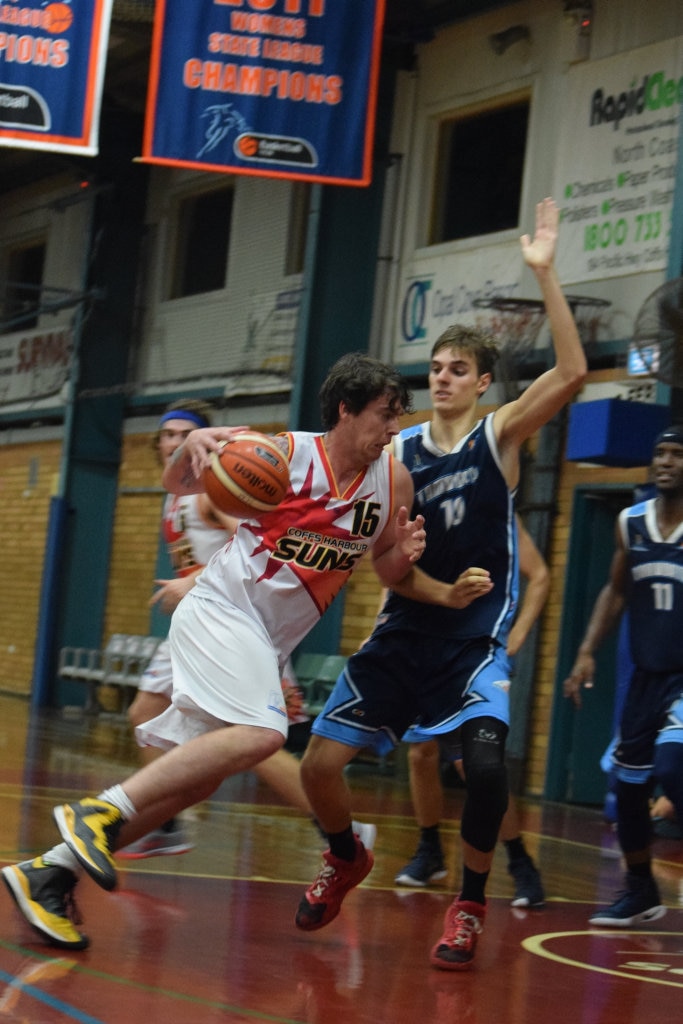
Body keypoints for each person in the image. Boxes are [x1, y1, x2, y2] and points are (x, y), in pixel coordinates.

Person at [2, 353, 425, 951]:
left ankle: (46, 874)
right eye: (386, 414)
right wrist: (193, 445)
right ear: (345, 410)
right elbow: (180, 487)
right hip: (221, 609)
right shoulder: (282, 454)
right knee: (262, 735)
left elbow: (382, 563)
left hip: (263, 640)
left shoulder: (394, 481)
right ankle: (100, 811)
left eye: (400, 415)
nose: (395, 428)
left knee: (196, 782)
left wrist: (402, 554)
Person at [294, 197, 586, 971]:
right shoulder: (399, 456)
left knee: (485, 771)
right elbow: (387, 556)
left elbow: (573, 371)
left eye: (457, 369)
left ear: (484, 382)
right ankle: (343, 857)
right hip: (407, 627)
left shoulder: (500, 434)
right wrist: (421, 586)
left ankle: (467, 907)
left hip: (473, 640)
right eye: (435, 367)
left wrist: (545, 272)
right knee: (318, 767)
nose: (442, 376)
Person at [119, 399, 376, 860]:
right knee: (225, 734)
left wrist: (191, 580)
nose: (174, 442)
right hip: (213, 627)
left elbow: (259, 543)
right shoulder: (176, 491)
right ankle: (167, 822)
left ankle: (340, 827)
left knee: (250, 739)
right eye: (168, 434)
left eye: (185, 434)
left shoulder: (213, 491)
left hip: (237, 621)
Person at [395, 516, 550, 910]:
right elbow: (397, 572)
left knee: (475, 767)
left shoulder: (502, 513)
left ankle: (519, 861)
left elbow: (541, 576)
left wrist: (517, 636)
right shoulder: (426, 506)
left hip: (475, 653)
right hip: (425, 647)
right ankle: (430, 850)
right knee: (420, 753)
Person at [564, 426, 683, 927]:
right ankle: (640, 891)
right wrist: (587, 651)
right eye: (659, 453)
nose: (666, 462)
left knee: (673, 765)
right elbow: (614, 594)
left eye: (678, 455)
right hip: (645, 677)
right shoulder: (630, 524)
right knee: (626, 786)